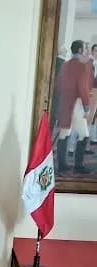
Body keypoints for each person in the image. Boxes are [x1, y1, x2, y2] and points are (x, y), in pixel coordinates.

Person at [55, 39, 92, 173]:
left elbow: (59, 84)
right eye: (85, 48)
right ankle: (78, 165)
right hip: (77, 103)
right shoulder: (83, 65)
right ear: (81, 50)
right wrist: (87, 106)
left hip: (66, 102)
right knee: (84, 135)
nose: (87, 50)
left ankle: (62, 164)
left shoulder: (65, 65)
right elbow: (83, 87)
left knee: (64, 133)